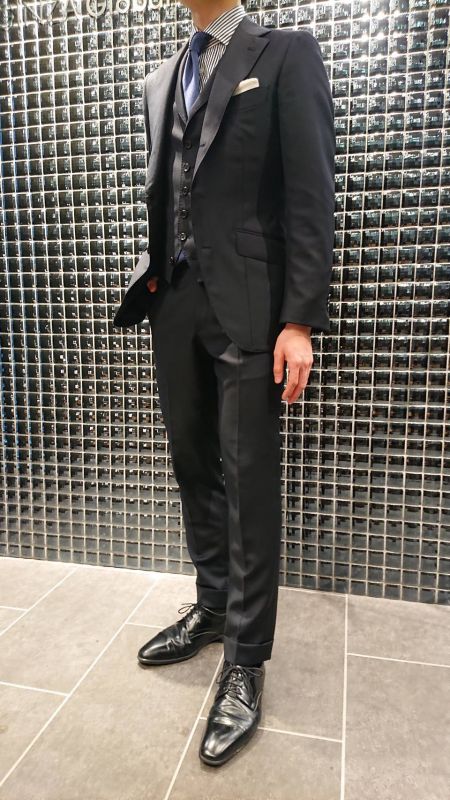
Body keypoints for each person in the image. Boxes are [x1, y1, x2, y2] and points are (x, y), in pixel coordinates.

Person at [113, 0, 335, 767]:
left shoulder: (285, 54)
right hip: (174, 301)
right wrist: (153, 271)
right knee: (190, 463)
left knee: (247, 477)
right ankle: (212, 605)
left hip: (250, 304)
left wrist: (300, 319)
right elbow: (169, 187)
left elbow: (310, 192)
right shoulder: (162, 77)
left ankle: (246, 657)